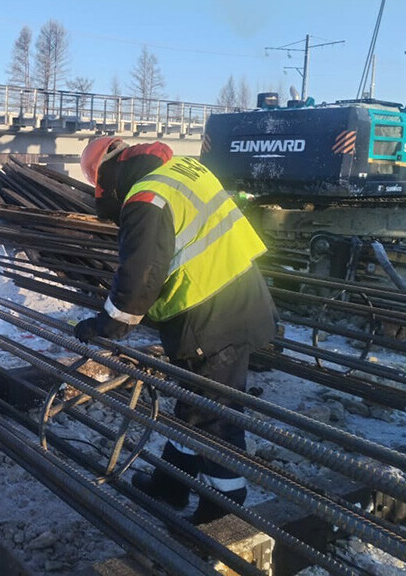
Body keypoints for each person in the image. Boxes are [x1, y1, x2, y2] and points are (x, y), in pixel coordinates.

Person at [74, 137, 277, 524]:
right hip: (234, 298)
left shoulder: (146, 198)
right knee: (193, 404)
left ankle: (222, 515)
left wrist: (105, 327)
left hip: (212, 317)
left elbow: (140, 281)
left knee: (215, 418)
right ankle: (173, 483)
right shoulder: (181, 170)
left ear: (107, 179)